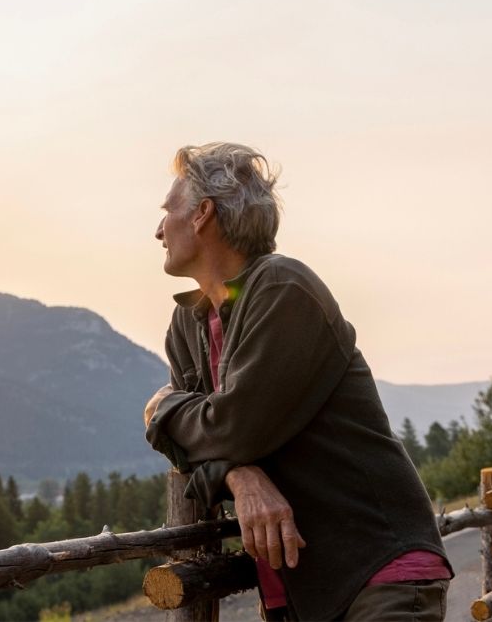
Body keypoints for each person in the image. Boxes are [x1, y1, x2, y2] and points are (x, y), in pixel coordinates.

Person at [143, 142, 452, 621]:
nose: (159, 228)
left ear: (203, 214)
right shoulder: (187, 325)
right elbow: (200, 447)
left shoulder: (284, 288)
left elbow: (232, 431)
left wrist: (162, 409)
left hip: (376, 571)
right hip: (297, 588)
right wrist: (238, 475)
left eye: (168, 211)